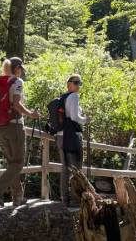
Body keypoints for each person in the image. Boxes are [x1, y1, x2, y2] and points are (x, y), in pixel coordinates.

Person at [0, 57, 40, 207]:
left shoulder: (1, 82)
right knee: (18, 163)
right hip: (14, 126)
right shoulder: (17, 82)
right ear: (16, 68)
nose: (22, 72)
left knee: (12, 163)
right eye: (21, 69)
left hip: (1, 126)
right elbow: (16, 104)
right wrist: (31, 114)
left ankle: (18, 197)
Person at [56, 74, 88, 208]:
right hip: (72, 136)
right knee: (76, 168)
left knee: (65, 168)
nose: (78, 85)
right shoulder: (74, 96)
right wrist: (86, 120)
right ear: (69, 84)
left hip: (60, 136)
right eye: (76, 82)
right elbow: (75, 117)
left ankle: (65, 199)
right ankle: (76, 201)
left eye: (80, 83)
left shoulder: (62, 97)